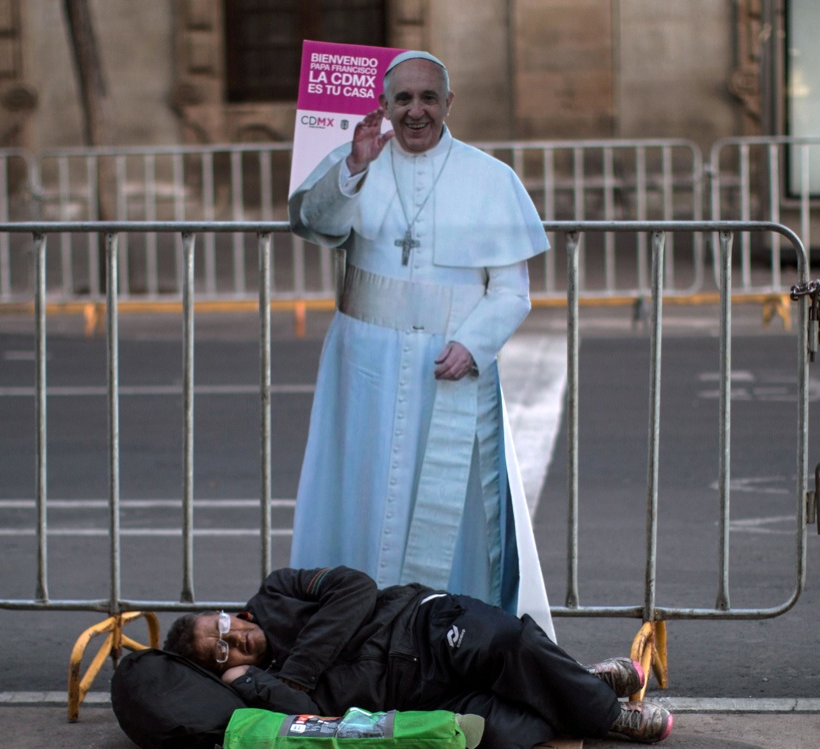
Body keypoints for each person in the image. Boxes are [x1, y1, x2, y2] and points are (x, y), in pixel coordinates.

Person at [287, 50, 554, 635]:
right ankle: (348, 632)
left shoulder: (490, 177)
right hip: (364, 367)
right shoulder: (355, 160)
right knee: (357, 486)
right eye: (402, 98)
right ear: (383, 105)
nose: (415, 111)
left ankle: (448, 634)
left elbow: (512, 291)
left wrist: (473, 346)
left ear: (448, 103)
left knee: (451, 512)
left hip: (448, 368)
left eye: (428, 97)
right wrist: (354, 167)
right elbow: (311, 222)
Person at [163, 566, 673, 748]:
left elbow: (354, 589)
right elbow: (305, 709)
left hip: (421, 624)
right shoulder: (254, 683)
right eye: (222, 652)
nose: (236, 641)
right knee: (498, 734)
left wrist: (296, 670)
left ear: (227, 612)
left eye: (223, 627)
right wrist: (248, 681)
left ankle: (612, 718)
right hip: (413, 692)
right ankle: (580, 681)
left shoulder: (278, 590)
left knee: (510, 645)